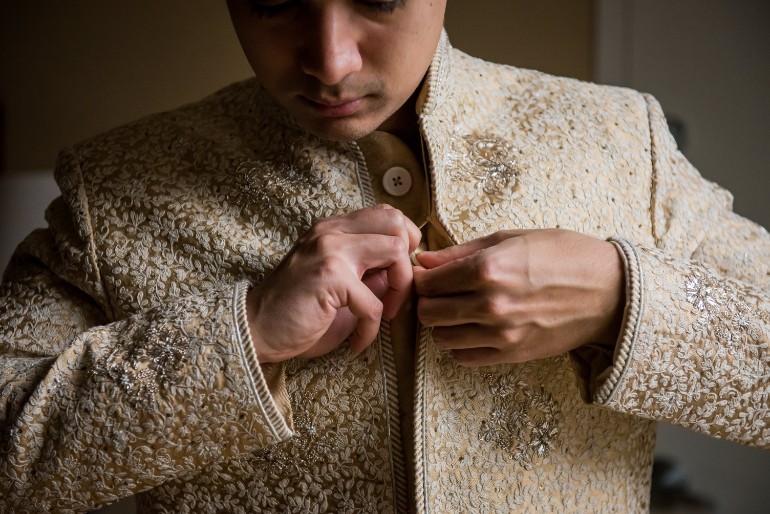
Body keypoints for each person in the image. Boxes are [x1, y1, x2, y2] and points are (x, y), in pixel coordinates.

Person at [1, 0, 768, 512]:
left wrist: (620, 295)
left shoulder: (620, 139)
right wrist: (243, 331)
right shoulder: (116, 186)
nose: (330, 61)